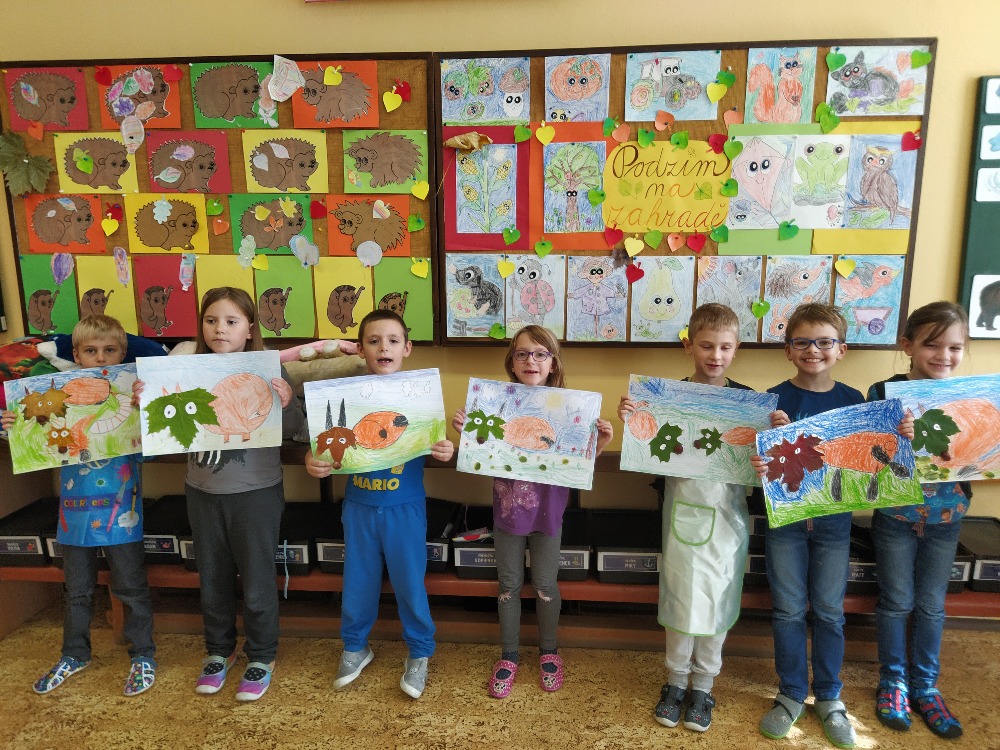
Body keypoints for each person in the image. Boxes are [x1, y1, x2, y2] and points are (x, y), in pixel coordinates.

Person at [134, 287, 303, 702]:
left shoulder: (270, 369)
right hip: (202, 492)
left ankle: (261, 655)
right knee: (212, 576)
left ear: (250, 329)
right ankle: (219, 650)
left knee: (258, 579)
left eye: (231, 321)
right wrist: (146, 400)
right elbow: (162, 427)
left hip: (256, 493)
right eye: (211, 321)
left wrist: (286, 403)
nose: (220, 329)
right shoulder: (185, 370)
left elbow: (294, 430)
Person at [453, 325, 613, 699]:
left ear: (553, 363)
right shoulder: (495, 404)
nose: (531, 361)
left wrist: (601, 441)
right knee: (508, 585)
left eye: (540, 354)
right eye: (522, 353)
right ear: (511, 362)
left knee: (545, 584)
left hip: (548, 515)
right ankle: (509, 655)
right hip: (509, 513)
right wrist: (466, 432)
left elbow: (577, 463)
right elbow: (481, 451)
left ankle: (548, 651)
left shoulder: (569, 408)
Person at [2, 314, 156, 696]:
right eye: (91, 350)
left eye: (110, 350)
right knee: (77, 591)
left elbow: (153, 448)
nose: (100, 358)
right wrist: (9, 425)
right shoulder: (59, 399)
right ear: (76, 355)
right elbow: (33, 441)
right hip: (74, 517)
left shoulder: (132, 398)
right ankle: (74, 654)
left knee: (131, 588)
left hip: (121, 516)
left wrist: (147, 410)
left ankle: (143, 655)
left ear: (122, 353)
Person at [305, 310, 454, 700]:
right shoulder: (344, 396)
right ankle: (355, 647)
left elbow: (438, 442)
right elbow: (322, 445)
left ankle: (420, 652)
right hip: (359, 507)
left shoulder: (420, 398)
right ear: (360, 349)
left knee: (410, 583)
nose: (383, 347)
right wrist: (313, 460)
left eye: (392, 340)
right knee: (358, 582)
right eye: (373, 341)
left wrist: (444, 448)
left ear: (406, 348)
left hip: (405, 508)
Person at [617, 303, 752, 732]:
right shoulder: (666, 399)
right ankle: (676, 682)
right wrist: (634, 420)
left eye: (725, 347)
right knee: (680, 598)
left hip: (728, 523)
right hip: (680, 516)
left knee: (717, 599)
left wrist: (775, 432)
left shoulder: (748, 403)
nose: (716, 355)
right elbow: (648, 450)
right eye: (707, 346)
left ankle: (703, 687)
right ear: (689, 345)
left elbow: (761, 463)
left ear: (736, 349)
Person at [754, 303, 867, 749]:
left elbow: (863, 459)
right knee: (787, 610)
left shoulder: (855, 400)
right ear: (788, 350)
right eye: (802, 342)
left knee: (829, 611)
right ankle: (790, 693)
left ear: (841, 349)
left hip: (835, 523)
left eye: (824, 342)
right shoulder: (771, 400)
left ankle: (830, 697)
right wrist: (765, 452)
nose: (813, 350)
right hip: (786, 522)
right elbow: (756, 466)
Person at [867, 301, 970, 739]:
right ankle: (893, 681)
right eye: (932, 345)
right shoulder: (882, 392)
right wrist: (896, 437)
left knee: (931, 606)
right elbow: (869, 454)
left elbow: (973, 454)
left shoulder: (971, 397)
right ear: (907, 345)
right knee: (896, 602)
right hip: (896, 516)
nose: (943, 356)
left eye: (955, 348)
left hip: (946, 518)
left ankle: (926, 685)